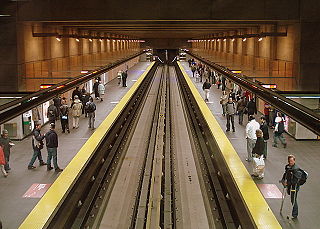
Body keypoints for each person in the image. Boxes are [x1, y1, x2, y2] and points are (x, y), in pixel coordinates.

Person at [281, 155, 302, 219]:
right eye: (289, 161)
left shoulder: (296, 170)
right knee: (292, 198)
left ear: (294, 161)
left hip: (295, 187)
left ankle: (294, 214)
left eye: (292, 161)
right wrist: (283, 179)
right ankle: (294, 213)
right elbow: (286, 173)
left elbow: (295, 181)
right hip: (290, 186)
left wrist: (287, 183)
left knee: (293, 199)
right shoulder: (287, 167)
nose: (290, 162)